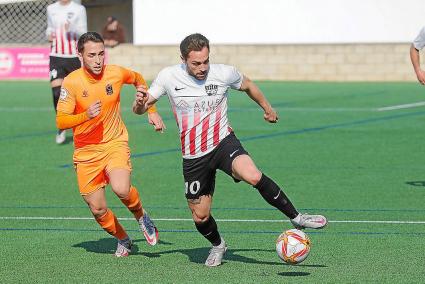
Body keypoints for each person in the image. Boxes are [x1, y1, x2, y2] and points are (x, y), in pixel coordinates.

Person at [133, 33, 327, 267]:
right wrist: (139, 103)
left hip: (224, 142)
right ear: (183, 59)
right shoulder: (168, 76)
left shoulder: (224, 73)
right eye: (196, 63)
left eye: (206, 61)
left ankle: (297, 217)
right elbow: (142, 108)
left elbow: (248, 85)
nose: (203, 67)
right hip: (194, 156)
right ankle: (218, 245)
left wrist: (267, 108)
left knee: (253, 175)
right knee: (200, 216)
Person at [56, 32, 165, 257]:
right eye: (92, 55)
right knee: (97, 208)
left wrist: (151, 110)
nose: (98, 60)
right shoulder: (72, 81)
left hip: (115, 142)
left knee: (121, 188)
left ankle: (141, 216)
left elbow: (138, 79)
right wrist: (85, 115)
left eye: (101, 54)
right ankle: (123, 239)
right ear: (80, 56)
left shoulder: (115, 73)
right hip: (86, 152)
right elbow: (61, 120)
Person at [46, 0, 87, 144]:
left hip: (73, 57)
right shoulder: (51, 8)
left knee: (77, 95)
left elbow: (83, 32)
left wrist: (73, 28)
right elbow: (49, 29)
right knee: (57, 92)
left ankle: (80, 125)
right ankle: (62, 127)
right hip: (56, 55)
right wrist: (49, 35)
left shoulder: (79, 9)